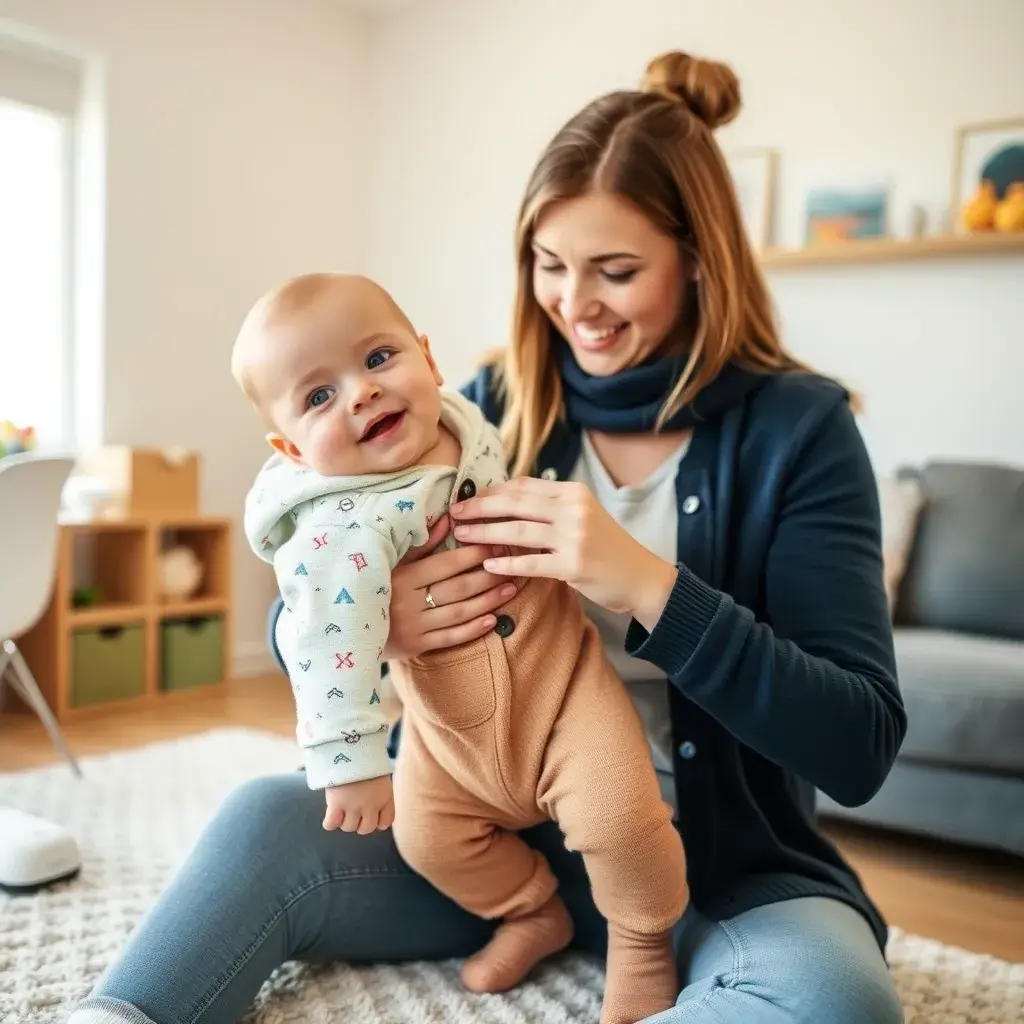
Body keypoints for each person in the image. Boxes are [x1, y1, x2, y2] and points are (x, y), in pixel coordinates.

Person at [69, 48, 907, 1024]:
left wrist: (646, 586)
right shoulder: (489, 405)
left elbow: (858, 743)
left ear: (697, 257)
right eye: (549, 266)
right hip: (497, 849)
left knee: (839, 1001)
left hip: (719, 872)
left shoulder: (798, 431)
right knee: (265, 815)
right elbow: (323, 567)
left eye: (616, 270)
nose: (573, 304)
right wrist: (388, 629)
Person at [231, 271, 688, 1024]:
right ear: (291, 449)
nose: (361, 393)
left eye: (379, 359)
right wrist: (351, 762)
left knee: (620, 816)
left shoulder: (467, 419)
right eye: (318, 397)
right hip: (446, 739)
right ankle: (531, 910)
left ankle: (642, 948)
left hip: (563, 692)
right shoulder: (339, 529)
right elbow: (323, 641)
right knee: (426, 839)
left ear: (429, 360)